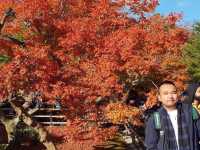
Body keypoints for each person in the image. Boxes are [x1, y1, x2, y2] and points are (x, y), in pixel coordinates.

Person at [144, 80, 200, 150]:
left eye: (173, 93)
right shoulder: (155, 118)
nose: (170, 96)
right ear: (159, 97)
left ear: (177, 94)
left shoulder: (190, 110)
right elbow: (151, 146)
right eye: (166, 93)